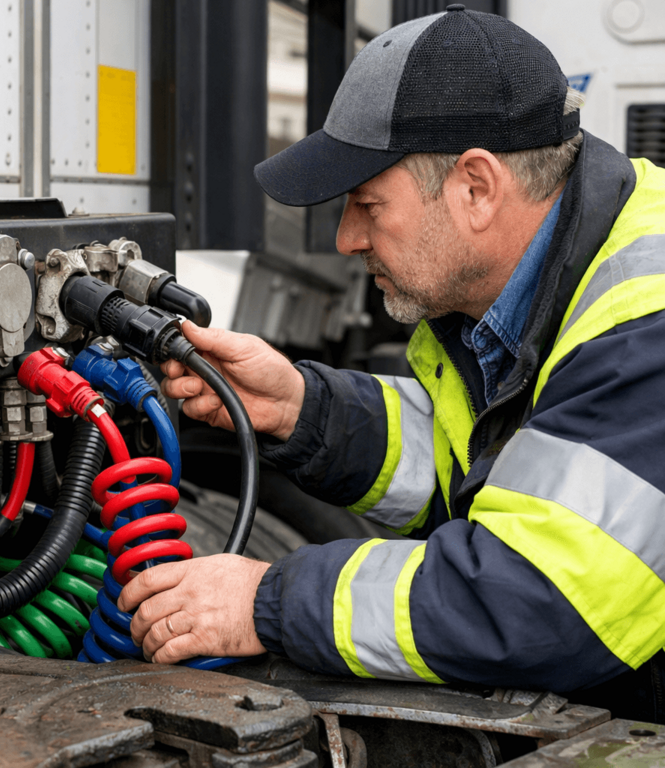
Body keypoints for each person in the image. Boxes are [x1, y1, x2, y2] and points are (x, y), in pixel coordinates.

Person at [118, 5, 665, 720]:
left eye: (368, 205)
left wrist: (265, 600)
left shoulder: (644, 325)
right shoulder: (531, 301)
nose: (347, 238)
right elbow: (482, 465)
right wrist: (298, 409)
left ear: (476, 187)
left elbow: (536, 601)